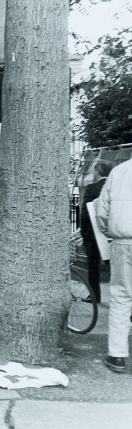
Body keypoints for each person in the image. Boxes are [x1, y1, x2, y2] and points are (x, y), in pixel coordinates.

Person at [95, 158, 132, 374]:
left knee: (121, 296)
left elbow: (102, 210)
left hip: (123, 242)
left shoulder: (119, 171)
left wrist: (110, 231)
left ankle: (117, 355)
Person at [81, 161, 113, 303]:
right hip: (113, 233)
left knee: (92, 266)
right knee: (114, 266)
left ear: (97, 172)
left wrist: (83, 232)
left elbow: (85, 213)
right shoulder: (115, 187)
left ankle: (95, 296)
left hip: (93, 234)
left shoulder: (92, 188)